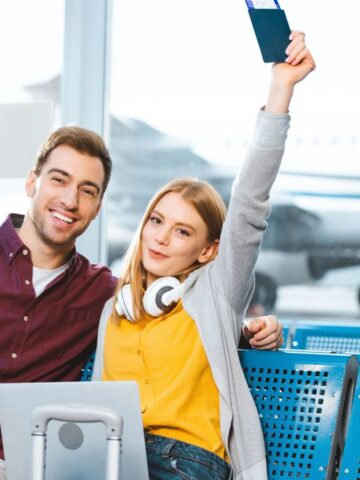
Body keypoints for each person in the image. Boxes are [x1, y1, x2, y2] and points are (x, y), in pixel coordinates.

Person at [92, 32, 316, 480]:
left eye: (182, 231)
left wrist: (280, 92)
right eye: (156, 221)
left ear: (208, 250)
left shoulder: (215, 289)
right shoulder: (115, 308)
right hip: (115, 459)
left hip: (184, 462)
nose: (161, 238)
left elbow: (250, 199)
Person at [0, 126, 117, 474]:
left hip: (24, 466)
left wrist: (252, 330)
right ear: (31, 182)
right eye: (59, 180)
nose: (70, 200)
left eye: (87, 190)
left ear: (97, 207)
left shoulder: (101, 291)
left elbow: (178, 307)